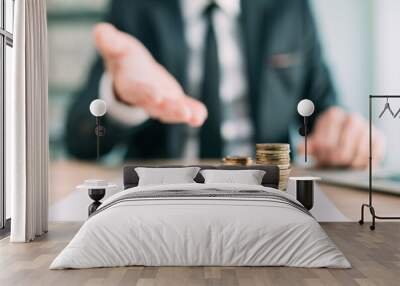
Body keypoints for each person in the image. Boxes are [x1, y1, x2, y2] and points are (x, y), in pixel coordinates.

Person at [66, 0, 385, 168]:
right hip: (161, 198)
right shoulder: (135, 6)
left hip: (269, 199)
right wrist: (122, 97)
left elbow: (323, 110)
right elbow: (79, 139)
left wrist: (346, 135)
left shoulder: (290, 6)